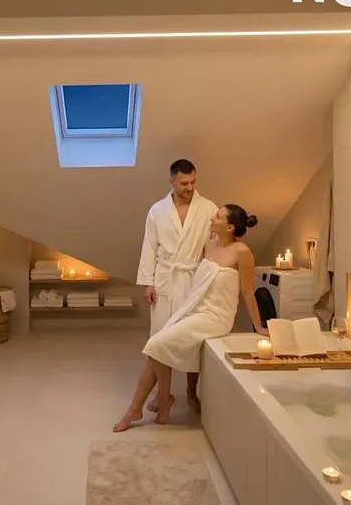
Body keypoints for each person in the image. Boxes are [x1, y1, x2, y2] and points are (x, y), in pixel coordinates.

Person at [115, 205, 268, 432]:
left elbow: (247, 292)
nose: (212, 218)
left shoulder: (242, 253)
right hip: (195, 308)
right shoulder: (209, 245)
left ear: (229, 227)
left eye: (218, 216)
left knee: (155, 343)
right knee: (156, 348)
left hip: (216, 316)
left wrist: (259, 327)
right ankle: (152, 403)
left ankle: (140, 407)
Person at [137, 159, 217, 413]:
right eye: (184, 183)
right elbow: (149, 247)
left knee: (194, 340)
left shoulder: (208, 208)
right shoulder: (157, 210)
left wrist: (212, 280)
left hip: (194, 279)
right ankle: (163, 394)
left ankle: (191, 393)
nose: (189, 187)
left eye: (193, 182)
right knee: (161, 339)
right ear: (171, 181)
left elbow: (214, 247)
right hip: (165, 278)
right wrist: (148, 283)